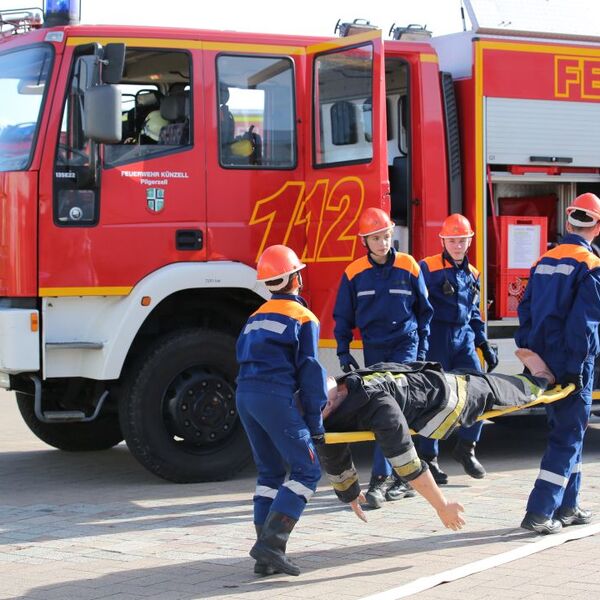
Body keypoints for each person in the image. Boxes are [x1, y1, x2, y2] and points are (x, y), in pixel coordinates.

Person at [316, 357, 555, 526]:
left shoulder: (378, 406)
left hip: (447, 396)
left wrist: (442, 505)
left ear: (335, 395)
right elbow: (330, 447)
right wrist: (348, 492)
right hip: (428, 380)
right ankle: (532, 377)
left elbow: (408, 463)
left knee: (499, 391)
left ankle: (542, 380)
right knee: (486, 382)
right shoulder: (328, 401)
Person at [333, 207, 433, 509]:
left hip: (405, 345)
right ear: (365, 241)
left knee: (390, 406)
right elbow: (342, 316)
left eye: (387, 236)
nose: (382, 242)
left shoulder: (409, 266)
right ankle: (402, 477)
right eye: (376, 238)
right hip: (374, 348)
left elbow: (425, 312)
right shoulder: (354, 273)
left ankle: (381, 479)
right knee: (386, 409)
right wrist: (343, 350)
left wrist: (422, 351)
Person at [236, 244, 327, 576]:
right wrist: (315, 423)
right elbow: (311, 372)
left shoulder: (255, 316)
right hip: (274, 397)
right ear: (295, 278)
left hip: (245, 395)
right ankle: (272, 544)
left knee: (269, 474)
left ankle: (266, 556)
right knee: (308, 471)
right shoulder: (303, 317)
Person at [515, 192, 600, 534]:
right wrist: (577, 368)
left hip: (545, 364)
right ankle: (539, 511)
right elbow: (584, 324)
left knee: (569, 433)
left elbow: (525, 310)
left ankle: (569, 505)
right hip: (572, 363)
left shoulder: (543, 261)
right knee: (567, 437)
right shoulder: (591, 265)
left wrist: (533, 356)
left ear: (568, 222)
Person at [417, 214, 498, 484]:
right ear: (443, 240)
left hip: (462, 340)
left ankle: (466, 448)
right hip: (436, 339)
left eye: (462, 240)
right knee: (435, 401)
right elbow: (416, 307)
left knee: (480, 393)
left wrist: (483, 343)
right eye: (452, 240)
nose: (457, 245)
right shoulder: (427, 268)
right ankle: (429, 459)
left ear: (469, 241)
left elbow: (474, 312)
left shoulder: (473, 273)